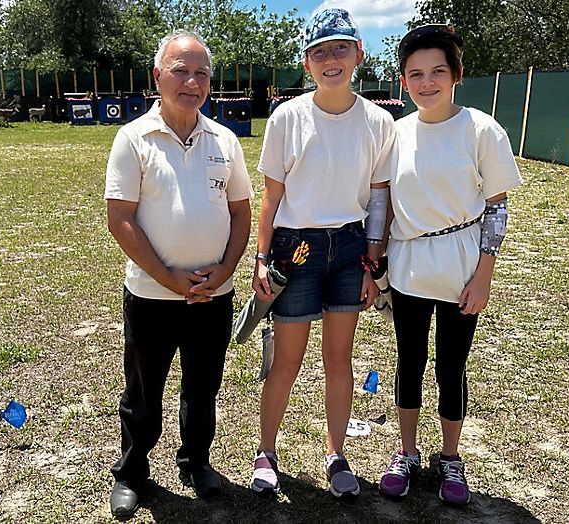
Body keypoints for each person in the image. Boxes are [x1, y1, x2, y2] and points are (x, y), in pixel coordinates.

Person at [249, 8, 398, 498]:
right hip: (296, 249)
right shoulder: (287, 117)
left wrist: (373, 263)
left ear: (359, 53)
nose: (330, 59)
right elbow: (271, 197)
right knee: (287, 360)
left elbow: (378, 198)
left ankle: (336, 455)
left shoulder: (378, 121)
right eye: (318, 51)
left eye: (340, 48)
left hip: (351, 248)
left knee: (339, 359)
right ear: (306, 62)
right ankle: (266, 452)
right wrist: (261, 259)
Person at [104, 30, 252, 518]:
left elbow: (241, 213)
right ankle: (131, 473)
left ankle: (196, 462)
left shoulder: (225, 140)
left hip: (213, 296)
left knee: (203, 387)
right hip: (152, 295)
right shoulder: (133, 139)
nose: (192, 82)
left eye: (201, 73)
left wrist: (225, 271)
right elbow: (120, 219)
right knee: (143, 392)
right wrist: (169, 278)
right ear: (158, 76)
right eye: (180, 71)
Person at [376, 25, 523, 505]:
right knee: (409, 361)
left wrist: (484, 275)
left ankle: (451, 458)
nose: (427, 83)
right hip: (409, 269)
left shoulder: (481, 130)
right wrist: (376, 263)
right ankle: (407, 452)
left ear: (456, 74)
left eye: (438, 71)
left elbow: (497, 207)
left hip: (462, 272)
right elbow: (385, 203)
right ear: (403, 81)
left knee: (451, 366)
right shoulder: (396, 134)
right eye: (416, 74)